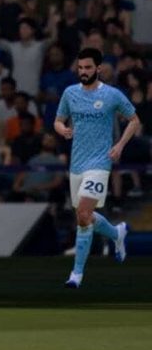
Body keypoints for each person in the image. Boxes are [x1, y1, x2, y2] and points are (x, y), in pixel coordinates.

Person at [54, 47, 138, 287]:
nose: (83, 71)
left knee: (83, 214)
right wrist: (62, 129)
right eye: (80, 68)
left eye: (88, 67)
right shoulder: (70, 93)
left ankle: (76, 274)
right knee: (85, 216)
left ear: (98, 68)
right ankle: (116, 233)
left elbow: (134, 120)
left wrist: (120, 145)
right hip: (77, 163)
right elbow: (58, 121)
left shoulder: (112, 94)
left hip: (100, 162)